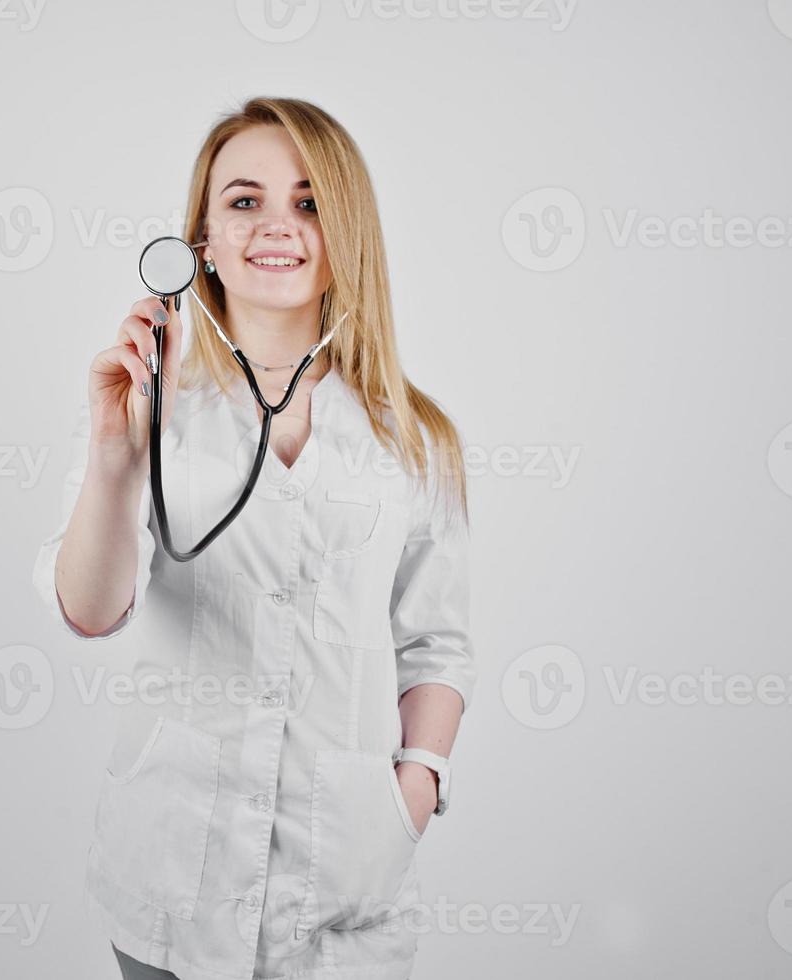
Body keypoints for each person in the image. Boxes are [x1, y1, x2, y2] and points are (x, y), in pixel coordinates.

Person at [31, 96, 476, 980]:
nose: (277, 225)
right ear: (200, 236)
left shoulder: (413, 439)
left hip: (345, 877)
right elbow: (89, 611)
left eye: (309, 202)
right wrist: (115, 452)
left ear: (345, 229)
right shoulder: (152, 414)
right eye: (244, 201)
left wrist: (414, 788)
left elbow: (436, 646)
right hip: (171, 872)